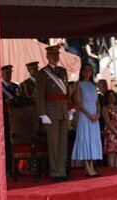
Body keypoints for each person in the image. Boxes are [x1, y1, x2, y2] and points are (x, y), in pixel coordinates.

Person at [36, 45, 70, 182]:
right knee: (53, 144)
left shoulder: (62, 71)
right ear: (47, 57)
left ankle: (62, 171)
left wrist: (70, 108)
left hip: (63, 111)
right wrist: (42, 114)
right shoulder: (43, 73)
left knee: (63, 144)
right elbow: (39, 95)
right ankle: (55, 173)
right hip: (50, 113)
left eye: (57, 55)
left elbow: (67, 92)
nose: (56, 57)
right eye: (53, 55)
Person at [71, 63, 102, 177]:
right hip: (85, 116)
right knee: (85, 139)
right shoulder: (79, 84)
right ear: (81, 72)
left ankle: (91, 166)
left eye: (89, 70)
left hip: (94, 117)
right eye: (85, 70)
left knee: (92, 139)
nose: (87, 72)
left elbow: (97, 102)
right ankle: (87, 167)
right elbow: (78, 102)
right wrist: (89, 114)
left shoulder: (94, 86)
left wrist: (98, 114)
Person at [1, 65, 20, 175]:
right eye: (6, 73)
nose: (9, 75)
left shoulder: (15, 86)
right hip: (5, 119)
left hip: (16, 119)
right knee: (7, 143)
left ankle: (15, 167)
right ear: (2, 75)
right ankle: (8, 167)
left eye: (10, 73)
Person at [102, 90, 117, 167]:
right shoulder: (105, 108)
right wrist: (116, 132)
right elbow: (107, 123)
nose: (111, 98)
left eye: (113, 96)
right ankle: (111, 170)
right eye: (109, 96)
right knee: (111, 153)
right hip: (111, 132)